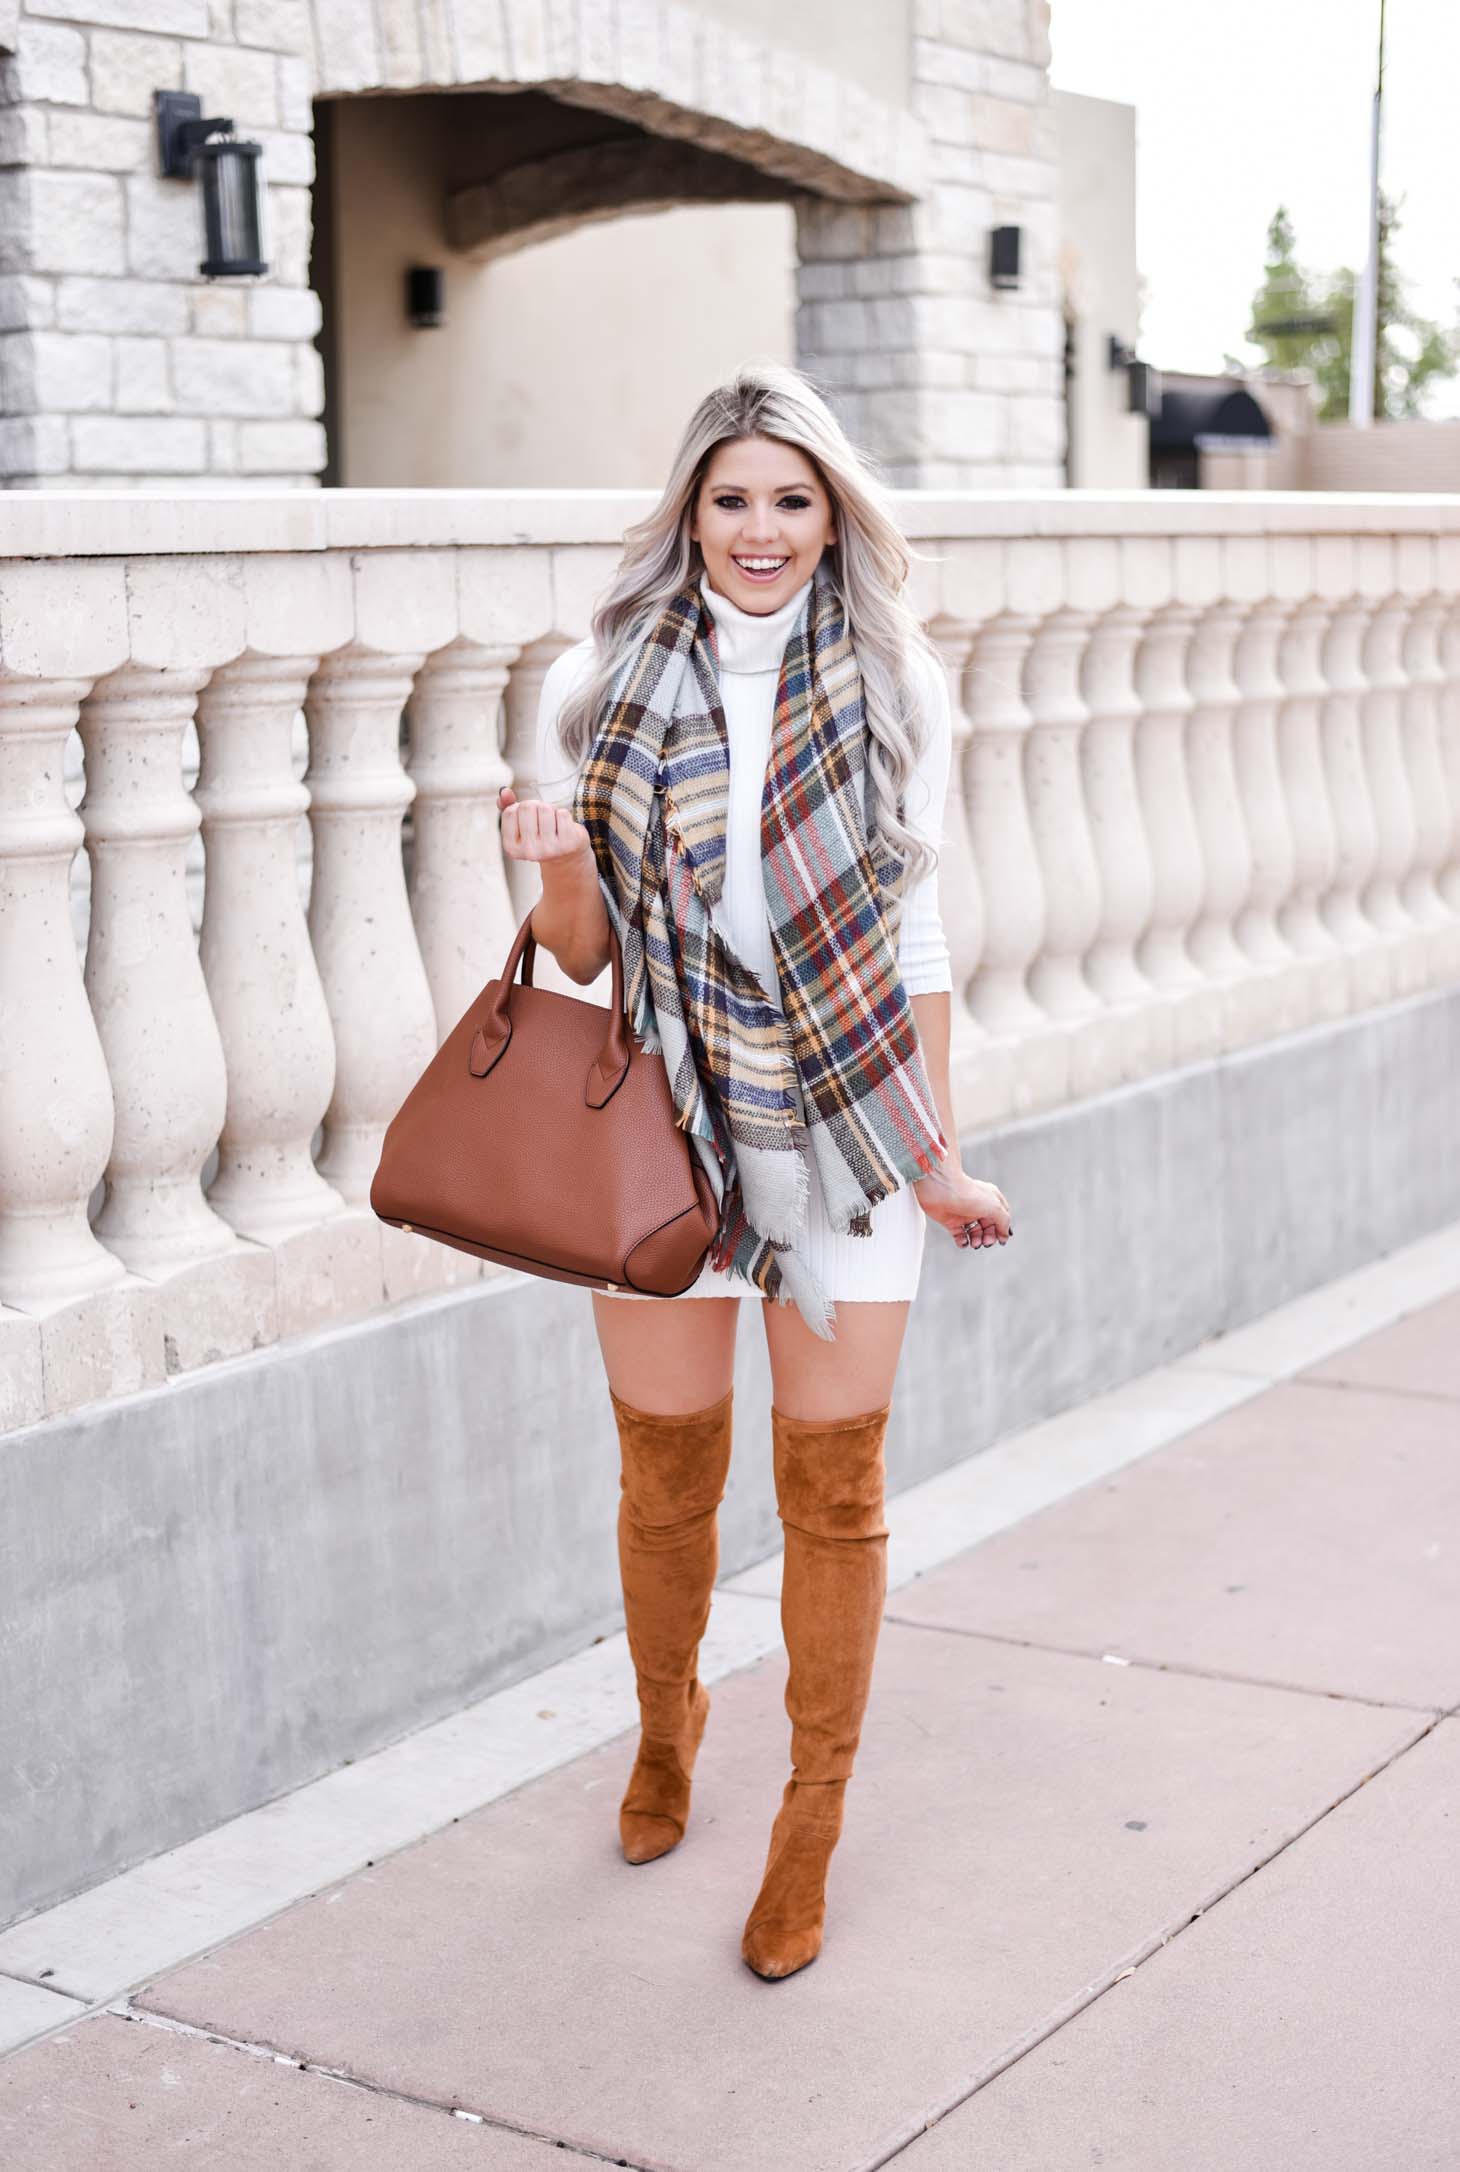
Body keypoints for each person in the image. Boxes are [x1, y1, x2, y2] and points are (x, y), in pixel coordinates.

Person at [496, 360, 1013, 1981]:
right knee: (665, 1477)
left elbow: (915, 932)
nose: (762, 529)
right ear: (691, 513)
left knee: (836, 1494)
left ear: (833, 514)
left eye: (793, 499)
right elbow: (576, 956)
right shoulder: (592, 681)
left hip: (848, 1122)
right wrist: (558, 859)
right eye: (733, 500)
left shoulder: (897, 681)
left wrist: (927, 1152)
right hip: (663, 1117)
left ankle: (810, 1820)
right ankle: (664, 1736)